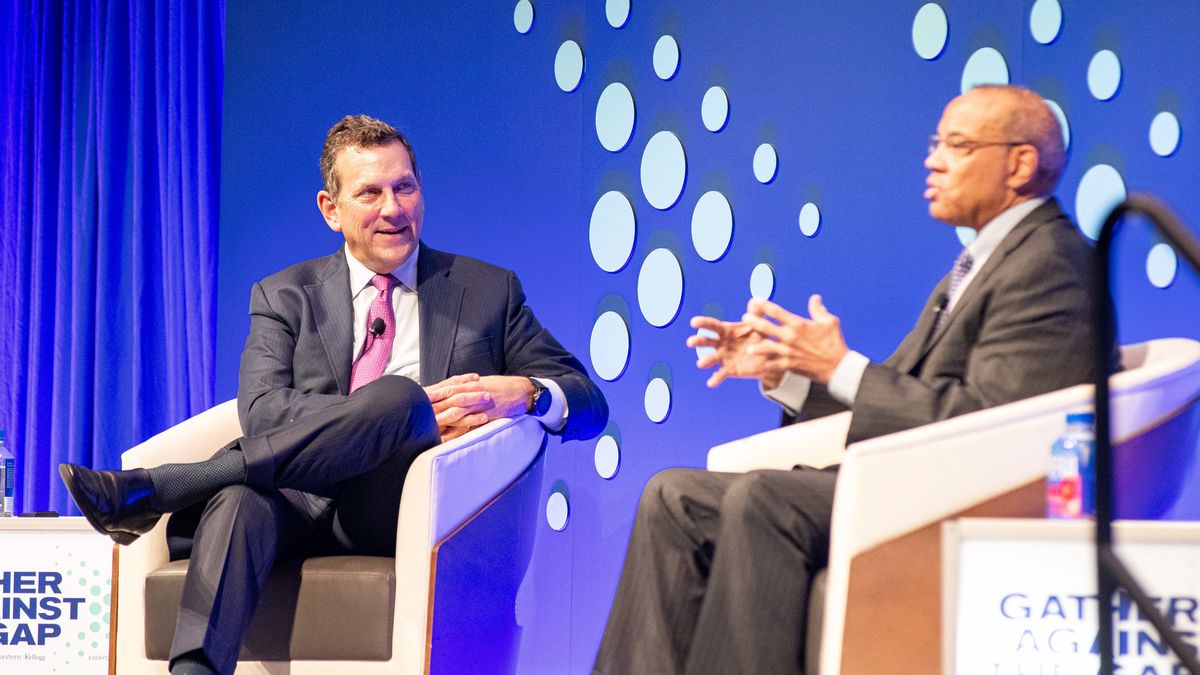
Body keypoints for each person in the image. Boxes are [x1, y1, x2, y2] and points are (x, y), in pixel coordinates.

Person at [59, 114, 608, 675]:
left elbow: (589, 403)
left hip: (408, 505)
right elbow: (262, 411)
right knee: (240, 500)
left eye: (405, 187)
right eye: (370, 192)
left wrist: (529, 392)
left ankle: (168, 486)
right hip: (295, 494)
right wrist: (379, 417)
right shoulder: (284, 295)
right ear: (330, 208)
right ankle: (195, 669)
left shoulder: (488, 291)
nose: (393, 208)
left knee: (400, 398)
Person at [593, 84, 1111, 674]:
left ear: (1019, 162)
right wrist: (793, 374)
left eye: (957, 145)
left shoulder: (1052, 262)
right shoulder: (981, 262)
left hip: (964, 492)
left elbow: (995, 423)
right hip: (903, 477)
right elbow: (902, 394)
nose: (933, 159)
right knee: (674, 496)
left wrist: (840, 366)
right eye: (935, 142)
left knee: (765, 498)